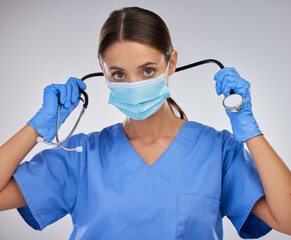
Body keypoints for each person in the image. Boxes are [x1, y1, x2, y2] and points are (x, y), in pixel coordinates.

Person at [0, 6, 290, 240]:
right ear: (103, 72)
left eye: (148, 70)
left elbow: (286, 219)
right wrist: (37, 126)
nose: (135, 85)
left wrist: (251, 131)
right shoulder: (80, 156)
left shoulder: (217, 151)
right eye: (119, 74)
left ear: (172, 63)